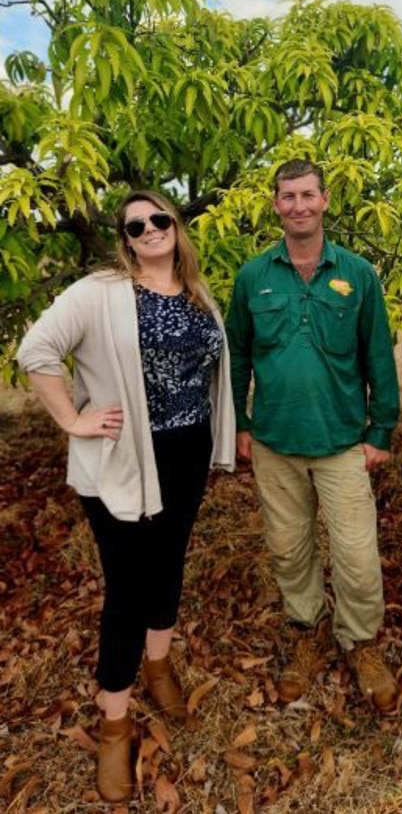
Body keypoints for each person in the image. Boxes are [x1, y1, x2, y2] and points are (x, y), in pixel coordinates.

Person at [16, 189, 235, 803]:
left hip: (185, 454)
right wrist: (72, 420)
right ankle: (114, 722)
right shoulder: (100, 291)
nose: (148, 229)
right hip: (121, 459)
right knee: (127, 587)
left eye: (159, 218)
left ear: (176, 225)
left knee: (169, 562)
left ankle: (158, 667)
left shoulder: (197, 293)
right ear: (126, 237)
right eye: (134, 225)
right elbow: (35, 351)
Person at [225, 158, 400, 713]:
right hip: (274, 441)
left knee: (356, 554)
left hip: (342, 442)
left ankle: (361, 642)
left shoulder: (359, 273)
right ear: (275, 205)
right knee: (288, 549)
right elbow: (238, 356)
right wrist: (239, 424)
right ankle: (307, 631)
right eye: (287, 196)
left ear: (325, 201)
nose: (298, 205)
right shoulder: (254, 276)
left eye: (307, 194)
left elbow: (378, 356)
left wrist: (381, 430)